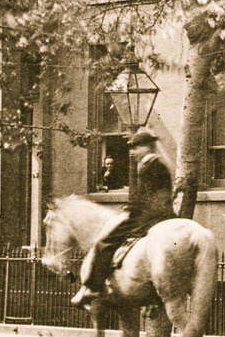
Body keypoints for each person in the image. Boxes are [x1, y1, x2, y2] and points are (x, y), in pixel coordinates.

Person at [72, 128, 175, 306]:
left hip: (147, 216)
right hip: (166, 215)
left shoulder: (149, 166)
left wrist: (130, 210)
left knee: (104, 243)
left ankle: (93, 287)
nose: (132, 152)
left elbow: (145, 197)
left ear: (147, 147)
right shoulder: (159, 165)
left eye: (135, 148)